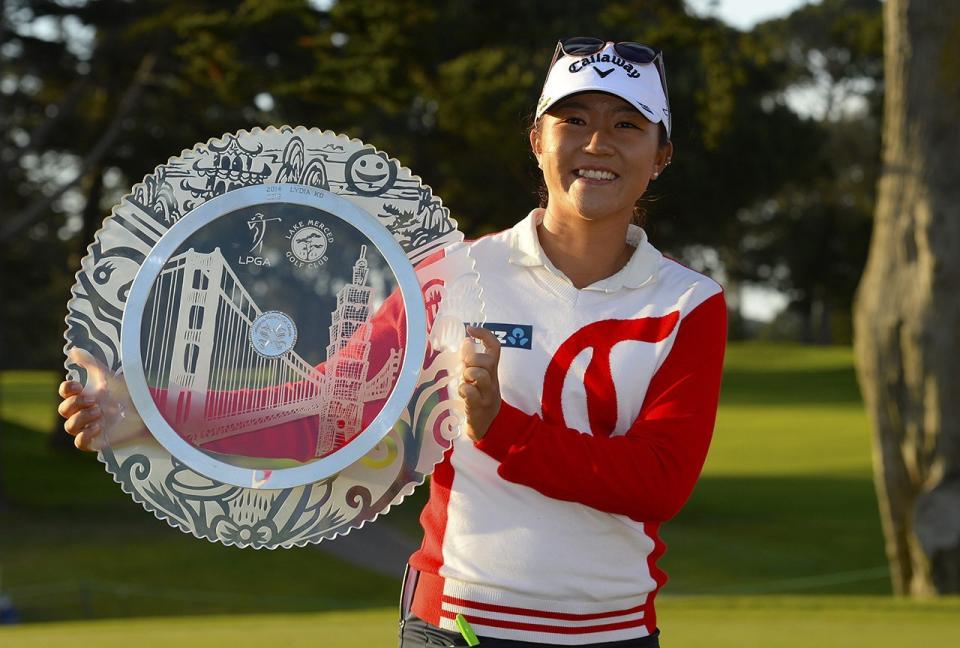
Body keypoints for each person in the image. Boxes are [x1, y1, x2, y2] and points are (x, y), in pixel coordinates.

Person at [60, 37, 726, 648]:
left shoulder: (688, 304)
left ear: (660, 155)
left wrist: (500, 428)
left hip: (614, 632)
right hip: (458, 625)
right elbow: (323, 410)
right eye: (573, 120)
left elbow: (659, 483)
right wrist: (149, 412)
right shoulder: (453, 275)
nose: (597, 143)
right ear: (536, 140)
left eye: (627, 125)